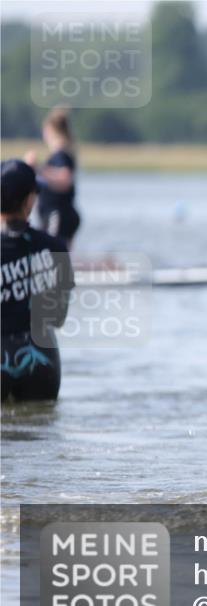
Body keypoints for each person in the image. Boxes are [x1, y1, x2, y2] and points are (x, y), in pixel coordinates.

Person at [1, 159, 75, 402]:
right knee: (40, 423)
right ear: (29, 201)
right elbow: (58, 317)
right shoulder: (55, 247)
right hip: (41, 360)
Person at [25, 108, 81, 247]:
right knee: (60, 254)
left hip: (58, 214)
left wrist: (37, 169)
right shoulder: (61, 154)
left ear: (50, 131)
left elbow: (65, 179)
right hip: (58, 214)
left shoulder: (61, 154)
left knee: (53, 252)